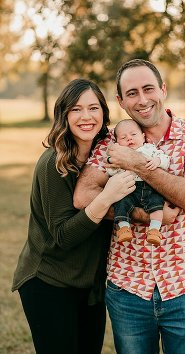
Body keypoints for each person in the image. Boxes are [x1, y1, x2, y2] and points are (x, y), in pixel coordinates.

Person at [73, 58, 185, 354]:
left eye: (148, 89)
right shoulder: (110, 142)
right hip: (127, 287)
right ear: (120, 101)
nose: (142, 100)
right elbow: (84, 195)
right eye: (131, 93)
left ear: (163, 90)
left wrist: (138, 164)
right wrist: (146, 215)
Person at [11, 79, 136, 354]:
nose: (86, 117)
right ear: (64, 115)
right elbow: (63, 236)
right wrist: (105, 197)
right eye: (76, 109)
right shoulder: (53, 164)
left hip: (90, 285)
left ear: (104, 113)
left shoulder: (106, 156)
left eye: (93, 108)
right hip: (48, 282)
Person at [108, 119, 170, 245]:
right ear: (117, 142)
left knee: (157, 204)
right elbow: (110, 172)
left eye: (133, 135)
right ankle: (124, 228)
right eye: (124, 137)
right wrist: (112, 163)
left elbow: (165, 159)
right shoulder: (120, 155)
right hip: (129, 189)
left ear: (143, 136)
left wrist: (157, 161)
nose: (129, 139)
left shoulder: (149, 149)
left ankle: (154, 230)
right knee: (120, 204)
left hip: (149, 188)